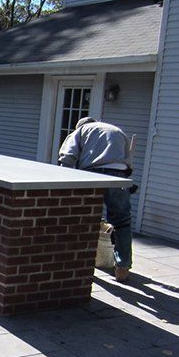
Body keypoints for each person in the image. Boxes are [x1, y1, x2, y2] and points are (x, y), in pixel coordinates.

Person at [58, 117, 133, 282]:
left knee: (86, 218)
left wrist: (64, 181)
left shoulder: (81, 130)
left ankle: (80, 263)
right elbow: (128, 162)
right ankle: (123, 267)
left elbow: (67, 156)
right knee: (122, 222)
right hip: (119, 176)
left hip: (92, 174)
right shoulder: (117, 130)